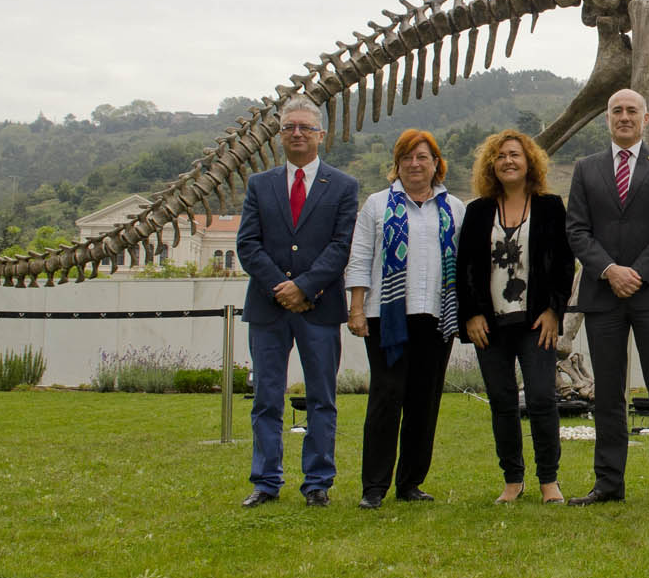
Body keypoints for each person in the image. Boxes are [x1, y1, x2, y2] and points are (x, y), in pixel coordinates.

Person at [565, 88, 649, 510]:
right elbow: (576, 229)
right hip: (603, 295)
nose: (624, 116)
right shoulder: (586, 168)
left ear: (645, 118)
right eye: (616, 111)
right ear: (607, 118)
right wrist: (609, 270)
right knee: (607, 393)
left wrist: (637, 272)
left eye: (631, 111)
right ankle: (608, 482)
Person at [234, 95, 360, 508]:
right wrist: (282, 287)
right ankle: (266, 481)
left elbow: (341, 245)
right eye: (290, 127)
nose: (297, 133)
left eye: (306, 127)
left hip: (319, 308)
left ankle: (318, 482)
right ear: (280, 134)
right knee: (265, 398)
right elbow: (248, 244)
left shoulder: (343, 186)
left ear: (321, 135)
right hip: (268, 308)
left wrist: (305, 287)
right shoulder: (260, 184)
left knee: (322, 398)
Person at [345, 130, 466, 510]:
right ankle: (374, 486)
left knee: (424, 402)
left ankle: (411, 482)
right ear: (396, 164)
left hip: (436, 318)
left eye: (422, 157)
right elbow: (360, 257)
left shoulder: (454, 208)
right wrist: (356, 308)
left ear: (436, 164)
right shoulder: (377, 204)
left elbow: (465, 264)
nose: (415, 164)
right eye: (407, 158)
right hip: (387, 318)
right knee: (386, 397)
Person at [456, 130, 575, 505]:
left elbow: (564, 264)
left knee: (541, 398)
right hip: (490, 323)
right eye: (500, 156)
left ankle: (549, 480)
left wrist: (554, 310)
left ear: (529, 162)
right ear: (491, 165)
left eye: (515, 155)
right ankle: (512, 480)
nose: (508, 161)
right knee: (502, 400)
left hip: (536, 321)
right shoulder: (477, 211)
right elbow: (465, 268)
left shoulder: (550, 207)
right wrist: (471, 314)